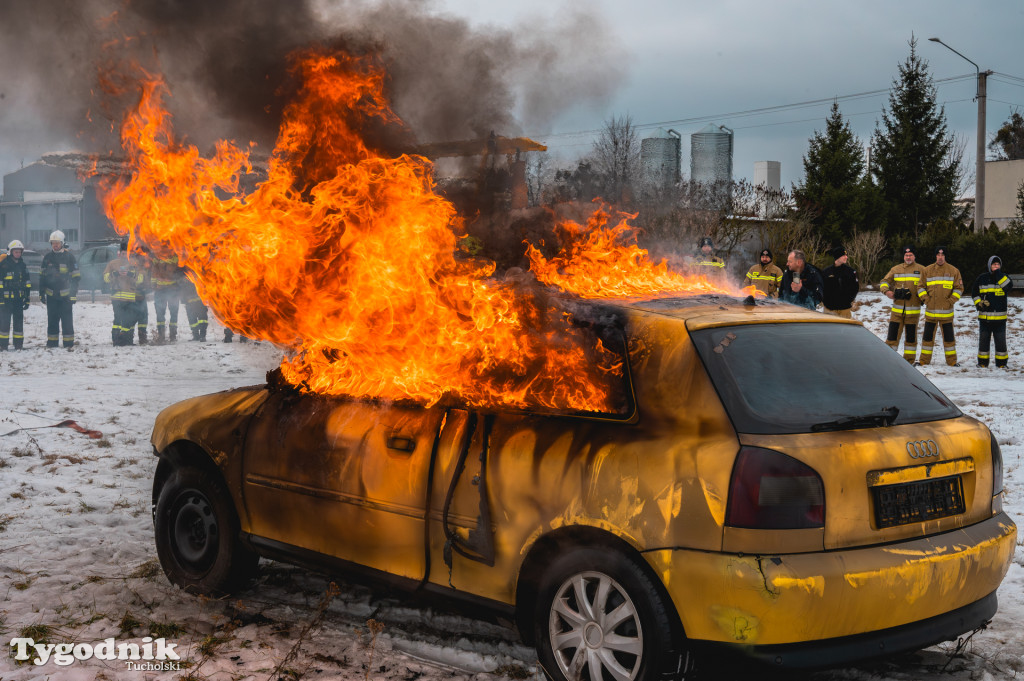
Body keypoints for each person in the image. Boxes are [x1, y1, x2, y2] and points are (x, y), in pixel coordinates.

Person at [917, 246, 964, 366]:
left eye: (942, 255)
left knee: (949, 339)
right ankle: (923, 361)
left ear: (945, 256)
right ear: (935, 256)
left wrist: (951, 301)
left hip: (946, 313)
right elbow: (920, 286)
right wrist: (926, 299)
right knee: (927, 338)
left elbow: (959, 289)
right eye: (938, 255)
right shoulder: (927, 270)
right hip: (931, 312)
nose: (940, 257)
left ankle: (952, 362)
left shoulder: (954, 271)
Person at [880, 245, 923, 363]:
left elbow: (929, 286)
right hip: (897, 311)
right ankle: (888, 359)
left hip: (913, 311)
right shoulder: (895, 269)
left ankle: (909, 362)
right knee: (892, 337)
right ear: (903, 256)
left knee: (911, 339)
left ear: (914, 256)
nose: (908, 257)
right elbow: (884, 281)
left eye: (910, 255)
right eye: (906, 255)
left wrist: (924, 297)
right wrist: (887, 291)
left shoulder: (922, 270)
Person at [39, 230, 80, 349]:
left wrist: (73, 294)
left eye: (57, 243)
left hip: (66, 297)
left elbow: (76, 277)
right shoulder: (47, 258)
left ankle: (68, 343)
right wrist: (41, 293)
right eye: (53, 243)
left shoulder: (69, 257)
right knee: (52, 320)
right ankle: (52, 343)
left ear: (62, 243)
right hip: (51, 296)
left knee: (67, 321)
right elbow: (42, 276)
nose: (55, 245)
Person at [103, 238, 148, 346]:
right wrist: (116, 274)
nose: (125, 256)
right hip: (117, 297)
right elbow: (106, 278)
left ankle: (127, 341)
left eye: (127, 254)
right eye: (123, 253)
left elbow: (141, 279)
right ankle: (116, 340)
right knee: (118, 320)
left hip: (130, 298)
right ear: (120, 253)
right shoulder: (112, 264)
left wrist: (131, 274)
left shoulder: (135, 264)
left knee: (128, 321)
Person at [971, 255, 1012, 368]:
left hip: (1000, 319)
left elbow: (1008, 287)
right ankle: (983, 363)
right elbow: (974, 293)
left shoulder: (1004, 277)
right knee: (984, 342)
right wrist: (979, 303)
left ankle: (1002, 364)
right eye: (994, 264)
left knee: (1001, 343)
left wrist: (998, 274)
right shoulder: (982, 278)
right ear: (989, 265)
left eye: (998, 264)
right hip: (985, 318)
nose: (996, 266)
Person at [0, 240, 32, 350]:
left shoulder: (23, 265)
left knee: (18, 323)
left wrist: (27, 299)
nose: (18, 254)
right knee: (4, 323)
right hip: (6, 300)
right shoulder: (3, 265)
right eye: (16, 252)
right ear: (10, 252)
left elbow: (27, 283)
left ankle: (18, 344)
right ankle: (3, 345)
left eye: (19, 252)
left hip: (18, 300)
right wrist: (1, 299)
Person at [150, 254, 184, 343]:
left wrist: (179, 283)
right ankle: (161, 335)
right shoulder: (157, 257)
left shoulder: (175, 257)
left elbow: (180, 272)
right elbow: (154, 272)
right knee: (160, 313)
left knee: (174, 313)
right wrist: (153, 284)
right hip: (160, 290)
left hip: (173, 290)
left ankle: (173, 335)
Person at [820, 244, 859, 318]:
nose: (846, 257)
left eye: (846, 255)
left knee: (845, 329)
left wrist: (847, 301)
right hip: (829, 310)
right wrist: (826, 302)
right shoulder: (826, 272)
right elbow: (822, 288)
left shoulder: (851, 272)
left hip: (845, 310)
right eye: (844, 255)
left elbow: (855, 289)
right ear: (837, 257)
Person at [180, 271, 208, 341]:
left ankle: (202, 336)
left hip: (199, 301)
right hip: (190, 301)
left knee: (202, 319)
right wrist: (183, 299)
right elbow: (182, 287)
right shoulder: (185, 273)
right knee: (192, 319)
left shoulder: (198, 272)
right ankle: (196, 335)